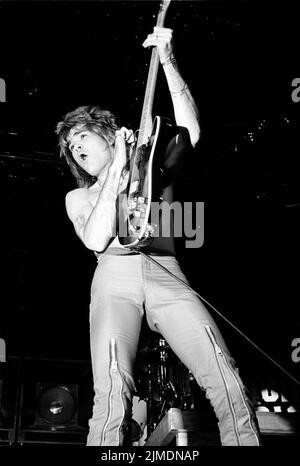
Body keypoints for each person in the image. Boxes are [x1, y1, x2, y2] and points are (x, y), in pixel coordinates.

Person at [56, 26, 261, 446]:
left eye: (81, 137)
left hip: (167, 270)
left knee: (225, 375)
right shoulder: (79, 196)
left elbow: (192, 131)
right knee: (112, 391)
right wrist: (114, 174)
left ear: (108, 132)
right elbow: (96, 239)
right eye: (71, 149)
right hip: (114, 278)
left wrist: (167, 58)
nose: (76, 149)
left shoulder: (150, 165)